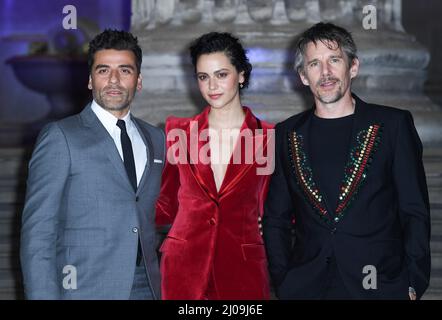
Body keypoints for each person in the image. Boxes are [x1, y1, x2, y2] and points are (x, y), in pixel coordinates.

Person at [263, 22, 431, 300]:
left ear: (353, 67)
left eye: (334, 60)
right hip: (308, 287)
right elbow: (276, 218)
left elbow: (414, 211)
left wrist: (412, 282)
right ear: (303, 76)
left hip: (379, 286)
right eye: (314, 64)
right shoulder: (286, 134)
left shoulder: (393, 125)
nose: (325, 72)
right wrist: (285, 279)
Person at [20, 29, 165, 299]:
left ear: (139, 80)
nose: (113, 80)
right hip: (85, 288)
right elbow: (38, 233)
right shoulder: (61, 137)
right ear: (89, 80)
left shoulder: (156, 139)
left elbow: (164, 214)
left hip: (150, 287)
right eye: (103, 70)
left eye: (124, 70)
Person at [155, 32, 273, 299]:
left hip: (243, 271)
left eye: (221, 75)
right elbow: (164, 204)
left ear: (241, 75)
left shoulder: (268, 138)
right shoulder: (178, 132)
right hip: (182, 271)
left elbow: (275, 205)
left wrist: (270, 224)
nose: (212, 86)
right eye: (203, 77)